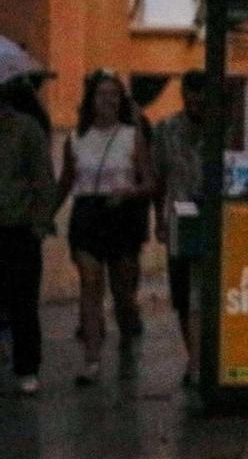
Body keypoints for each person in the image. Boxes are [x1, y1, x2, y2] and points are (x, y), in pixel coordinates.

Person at [58, 71, 153, 385]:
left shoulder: (131, 135)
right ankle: (92, 359)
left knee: (123, 291)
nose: (108, 100)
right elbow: (66, 182)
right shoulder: (75, 139)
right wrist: (46, 213)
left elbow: (148, 181)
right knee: (90, 282)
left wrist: (128, 193)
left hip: (121, 215)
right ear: (91, 99)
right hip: (87, 213)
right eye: (102, 93)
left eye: (114, 94)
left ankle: (127, 335)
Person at [0, 55, 57, 395]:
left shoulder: (26, 129)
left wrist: (38, 225)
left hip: (18, 229)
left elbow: (43, 180)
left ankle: (27, 367)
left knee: (22, 301)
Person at [152, 70, 210, 386]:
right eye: (191, 95)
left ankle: (200, 362)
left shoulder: (223, 126)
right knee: (183, 294)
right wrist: (158, 220)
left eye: (201, 95)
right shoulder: (166, 130)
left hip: (214, 217)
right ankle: (194, 358)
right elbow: (158, 179)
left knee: (204, 293)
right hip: (180, 216)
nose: (196, 101)